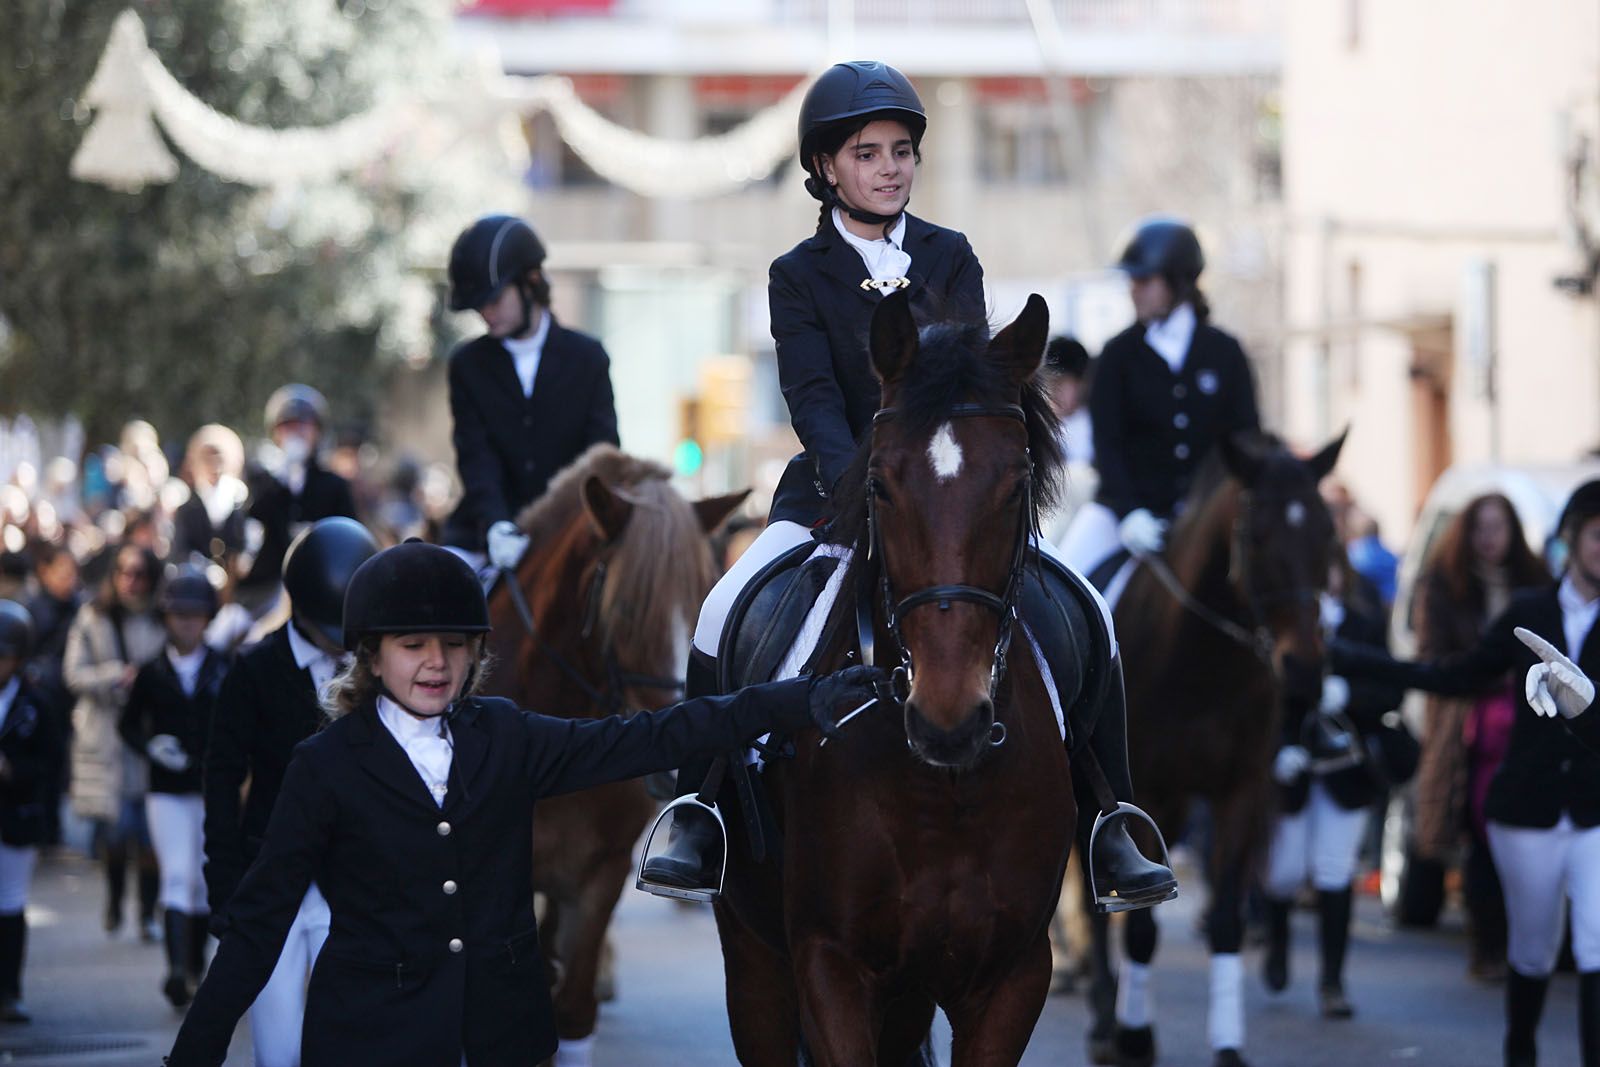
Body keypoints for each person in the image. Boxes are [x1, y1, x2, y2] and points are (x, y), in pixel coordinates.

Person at [642, 60, 1175, 910]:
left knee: (1089, 611)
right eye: (867, 153)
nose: (889, 167)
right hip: (827, 491)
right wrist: (862, 489)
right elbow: (812, 397)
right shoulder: (796, 274)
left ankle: (1112, 815)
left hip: (949, 500)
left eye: (901, 151)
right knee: (725, 603)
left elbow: (969, 384)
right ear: (826, 169)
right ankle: (700, 803)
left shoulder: (949, 256)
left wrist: (928, 492)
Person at [164, 540, 877, 1066]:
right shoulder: (322, 767)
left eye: (455, 644)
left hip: (501, 1041)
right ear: (371, 656)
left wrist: (793, 700)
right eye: (413, 645)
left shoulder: (506, 733)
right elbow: (258, 922)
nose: (437, 663)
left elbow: (649, 733)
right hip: (370, 1042)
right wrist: (193, 1054)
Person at [1332, 479, 1600, 1067]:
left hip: (1593, 810)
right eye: (1597, 535)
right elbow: (1455, 674)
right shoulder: (1530, 610)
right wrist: (1354, 660)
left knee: (1594, 943)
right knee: (1531, 951)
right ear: (1575, 539)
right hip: (1526, 807)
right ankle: (1520, 1051)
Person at [202, 517, 378, 1067]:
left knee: (347, 1041)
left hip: (351, 882)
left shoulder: (375, 670)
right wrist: (224, 885)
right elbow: (222, 778)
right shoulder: (254, 670)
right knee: (277, 1048)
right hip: (271, 878)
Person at [1056, 216, 1261, 606]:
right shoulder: (1116, 357)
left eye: (1144, 281)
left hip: (1209, 518)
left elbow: (1246, 439)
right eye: (1132, 282)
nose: (1134, 292)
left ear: (1179, 283)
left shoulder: (1225, 353)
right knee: (1062, 588)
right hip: (1124, 519)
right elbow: (1108, 446)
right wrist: (1130, 513)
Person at [1261, 555, 1404, 1019]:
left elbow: (1392, 688)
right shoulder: (1279, 626)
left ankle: (1332, 982)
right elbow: (1261, 694)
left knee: (1334, 870)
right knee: (1283, 871)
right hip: (1295, 769)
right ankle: (1277, 941)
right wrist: (1278, 748)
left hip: (1345, 767)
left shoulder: (1364, 625)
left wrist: (1351, 695)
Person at [1413, 493, 1548, 980]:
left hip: (1529, 723)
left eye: (1499, 527)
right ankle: (1488, 946)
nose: (1489, 538)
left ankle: (1532, 945)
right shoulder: (1443, 587)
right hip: (1467, 730)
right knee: (1483, 839)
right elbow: (1433, 660)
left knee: (1532, 842)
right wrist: (1486, 675)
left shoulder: (1535, 587)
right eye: (1480, 527)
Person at [441, 215, 620, 572]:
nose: (485, 313)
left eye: (493, 300)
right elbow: (475, 456)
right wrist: (496, 525)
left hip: (571, 529)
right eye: (479, 306)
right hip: (486, 532)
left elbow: (602, 453)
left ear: (531, 282)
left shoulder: (588, 358)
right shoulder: (467, 365)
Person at [120, 568, 229, 1009]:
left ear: (208, 617)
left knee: (203, 880)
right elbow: (127, 724)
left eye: (196, 614)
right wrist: (150, 747)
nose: (187, 622)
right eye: (179, 614)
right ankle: (176, 970)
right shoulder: (150, 672)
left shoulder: (226, 666)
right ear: (166, 618)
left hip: (211, 785)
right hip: (166, 788)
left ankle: (195, 969)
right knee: (178, 873)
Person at [65, 542, 166, 940]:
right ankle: (114, 898)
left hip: (145, 737)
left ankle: (146, 913)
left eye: (139, 573)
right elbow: (72, 675)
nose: (131, 581)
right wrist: (115, 675)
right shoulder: (93, 617)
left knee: (148, 834)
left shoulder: (162, 619)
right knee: (116, 830)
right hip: (106, 737)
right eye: (124, 572)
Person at [240, 386, 358, 610]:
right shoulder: (262, 481)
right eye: (287, 427)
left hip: (322, 585)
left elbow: (349, 536)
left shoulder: (334, 485)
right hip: (265, 591)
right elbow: (252, 523)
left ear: (318, 432)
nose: (295, 433)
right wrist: (278, 482)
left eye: (303, 426)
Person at [0, 601, 63, 1022]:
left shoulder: (35, 703)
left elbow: (51, 764)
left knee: (9, 903)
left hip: (15, 816)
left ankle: (9, 991)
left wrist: (12, 770)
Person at [22, 542, 81, 846]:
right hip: (43, 698)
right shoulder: (33, 609)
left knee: (58, 765)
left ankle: (52, 826)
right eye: (63, 572)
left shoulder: (79, 608)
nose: (69, 580)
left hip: (67, 700)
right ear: (45, 572)